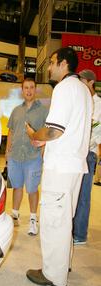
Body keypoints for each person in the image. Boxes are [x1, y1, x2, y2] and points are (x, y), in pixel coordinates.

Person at [25, 47, 92, 286]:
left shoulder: (64, 88)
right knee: (66, 219)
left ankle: (54, 274)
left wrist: (36, 135)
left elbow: (55, 130)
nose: (49, 67)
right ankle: (64, 264)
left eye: (52, 62)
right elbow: (69, 129)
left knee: (54, 220)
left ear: (63, 64)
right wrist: (45, 138)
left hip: (61, 167)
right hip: (74, 166)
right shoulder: (84, 90)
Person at [5, 77, 48, 235]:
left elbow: (47, 133)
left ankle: (32, 219)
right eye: (26, 88)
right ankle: (15, 215)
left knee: (32, 189)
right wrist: (8, 152)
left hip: (33, 157)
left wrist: (43, 150)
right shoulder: (16, 110)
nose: (29, 90)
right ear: (22, 90)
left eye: (31, 87)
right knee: (17, 186)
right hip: (15, 156)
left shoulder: (43, 111)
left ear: (35, 89)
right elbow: (11, 131)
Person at [73, 69, 101, 245]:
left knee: (83, 195)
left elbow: (93, 127)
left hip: (88, 153)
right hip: (75, 153)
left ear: (91, 82)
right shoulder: (82, 101)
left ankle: (80, 235)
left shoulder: (98, 104)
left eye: (82, 82)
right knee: (73, 192)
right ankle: (72, 229)